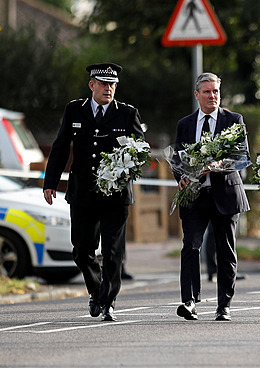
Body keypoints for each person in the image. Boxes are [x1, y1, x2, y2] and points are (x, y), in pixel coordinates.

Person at [43, 63, 145, 322]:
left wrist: (125, 170)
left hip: (115, 195)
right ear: (92, 85)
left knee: (112, 251)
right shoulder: (74, 109)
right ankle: (96, 290)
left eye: (112, 85)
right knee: (81, 250)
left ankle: (108, 302)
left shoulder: (127, 113)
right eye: (103, 84)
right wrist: (50, 182)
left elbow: (140, 151)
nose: (108, 89)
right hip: (83, 192)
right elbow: (61, 146)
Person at [174, 72, 249, 322]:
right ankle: (189, 301)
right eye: (207, 92)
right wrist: (181, 177)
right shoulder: (185, 124)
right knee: (190, 246)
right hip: (195, 196)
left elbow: (241, 157)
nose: (212, 96)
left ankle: (223, 306)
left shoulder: (233, 120)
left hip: (225, 194)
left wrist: (217, 164)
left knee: (225, 251)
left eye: (215, 91)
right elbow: (177, 160)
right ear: (197, 95)